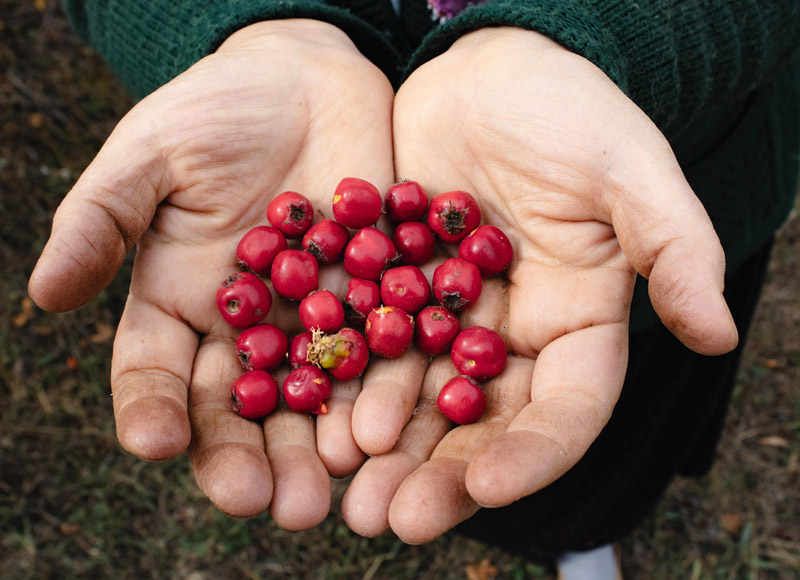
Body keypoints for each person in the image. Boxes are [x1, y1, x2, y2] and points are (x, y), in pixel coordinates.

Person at [29, 1, 800, 578]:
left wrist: (591, 36)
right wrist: (245, 23)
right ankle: (566, 529)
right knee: (479, 449)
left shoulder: (388, 287)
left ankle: (588, 530)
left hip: (626, 197)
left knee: (622, 418)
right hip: (342, 128)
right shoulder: (357, 284)